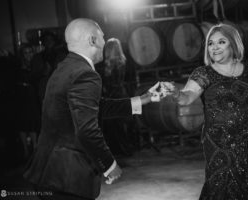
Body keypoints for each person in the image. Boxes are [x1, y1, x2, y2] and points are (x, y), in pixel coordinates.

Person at [23, 18, 163, 200]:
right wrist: (109, 165)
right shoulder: (85, 74)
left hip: (48, 170)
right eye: (102, 37)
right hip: (66, 177)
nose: (105, 42)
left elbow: (97, 106)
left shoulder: (65, 67)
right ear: (92, 40)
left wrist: (143, 99)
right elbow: (87, 130)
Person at [169, 23, 248, 199]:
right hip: (219, 147)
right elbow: (187, 97)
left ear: (233, 43)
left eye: (221, 42)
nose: (214, 47)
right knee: (222, 188)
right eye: (210, 43)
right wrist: (176, 92)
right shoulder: (204, 73)